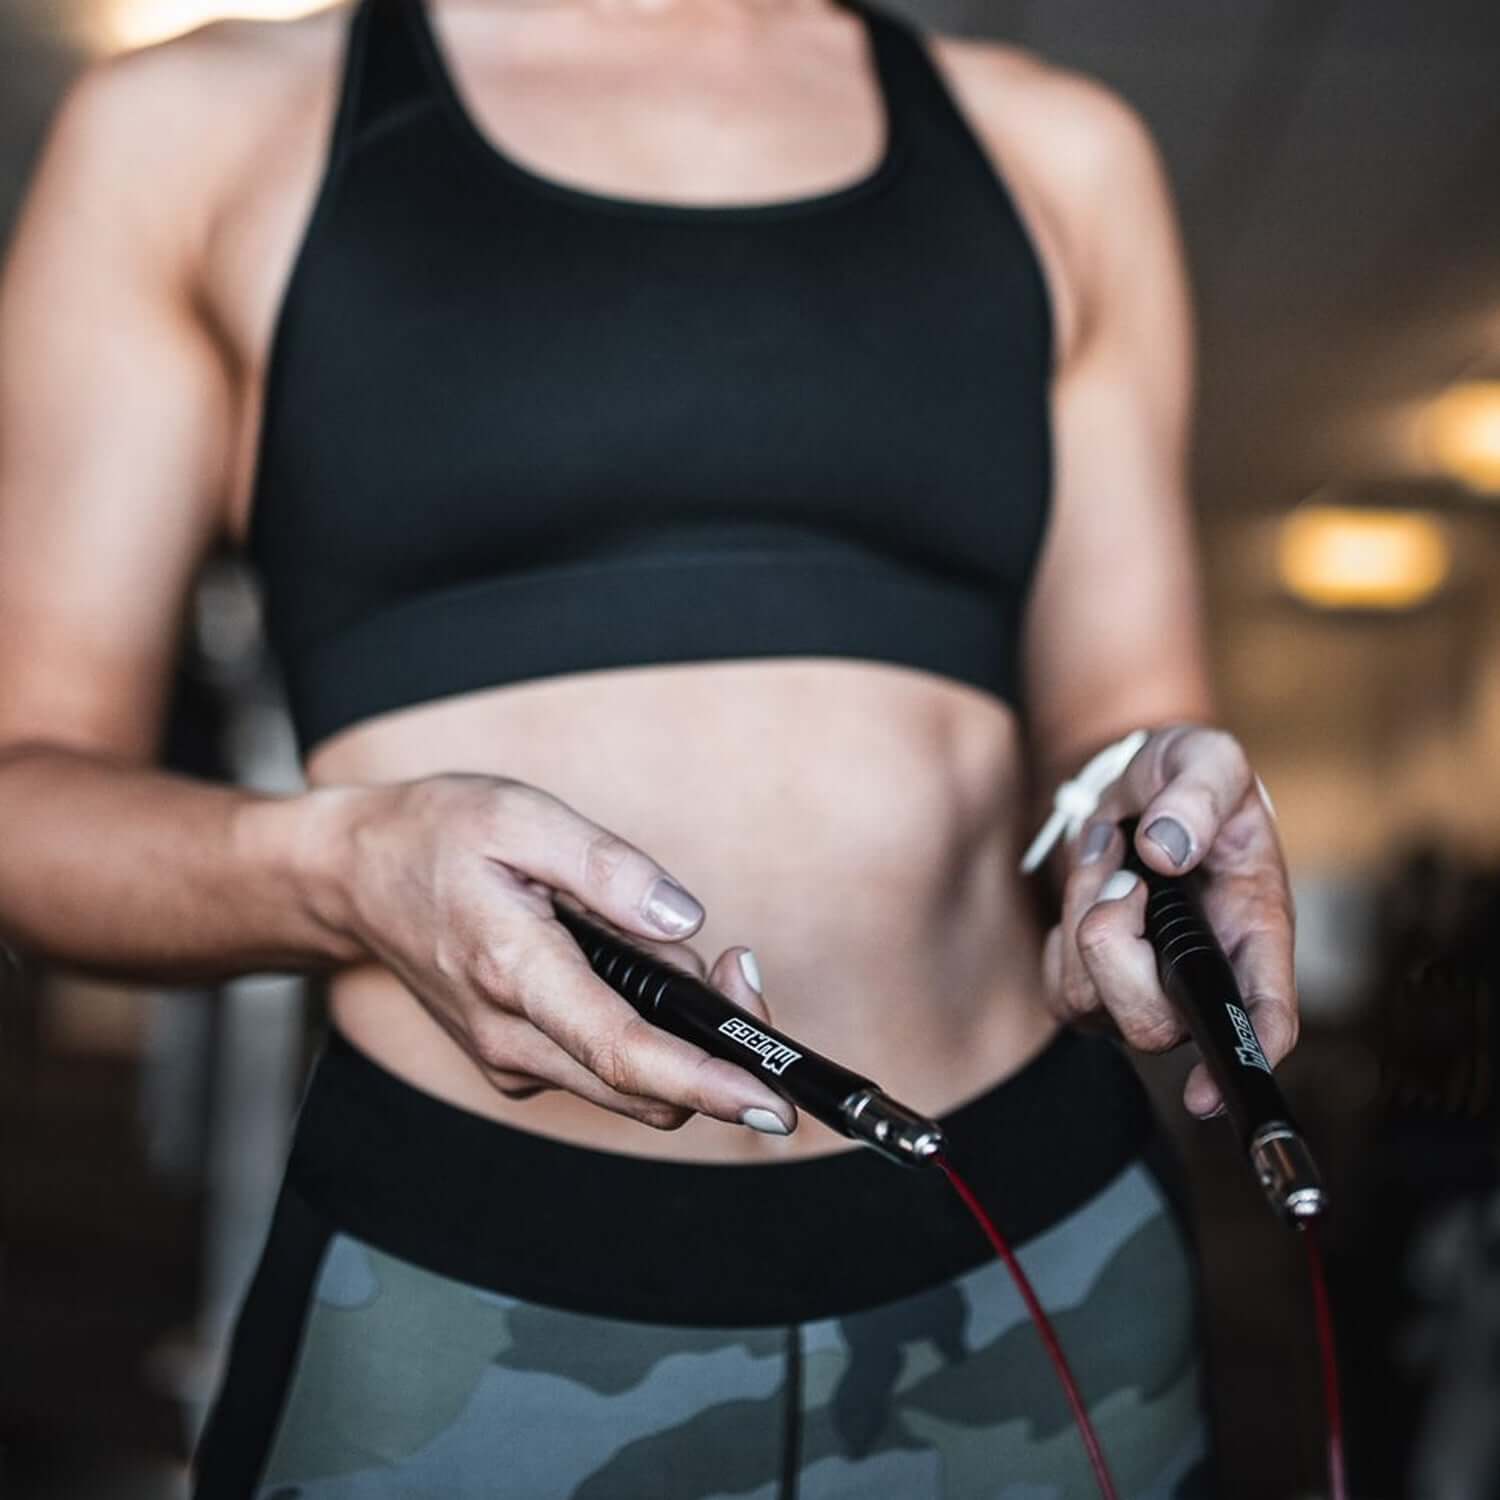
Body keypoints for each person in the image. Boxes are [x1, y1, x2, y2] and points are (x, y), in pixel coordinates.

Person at [0, 0, 1298, 1494]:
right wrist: (341, 866)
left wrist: (1150, 820)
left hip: (1039, 1236)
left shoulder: (1058, 150)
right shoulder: (201, 128)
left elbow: (1119, 725)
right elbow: (31, 794)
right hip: (466, 1279)